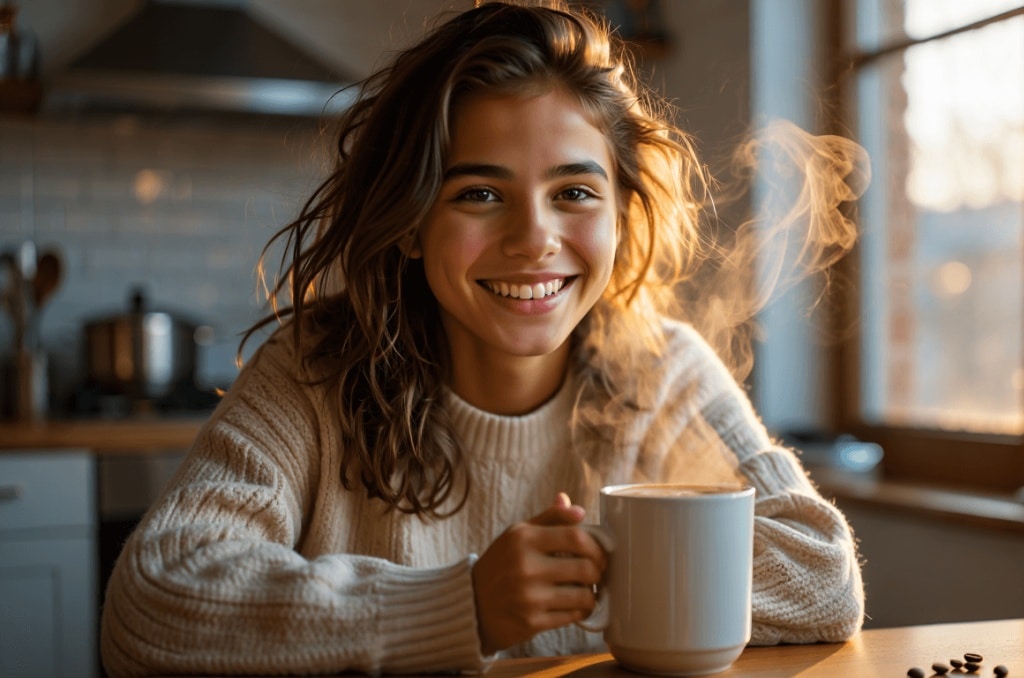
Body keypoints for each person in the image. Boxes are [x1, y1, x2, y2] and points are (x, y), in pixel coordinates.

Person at [100, 1, 867, 675]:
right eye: (479, 193)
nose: (534, 238)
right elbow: (152, 603)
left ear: (621, 214)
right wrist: (462, 605)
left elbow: (822, 577)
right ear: (410, 222)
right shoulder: (314, 371)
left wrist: (604, 568)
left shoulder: (659, 370)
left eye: (574, 191)